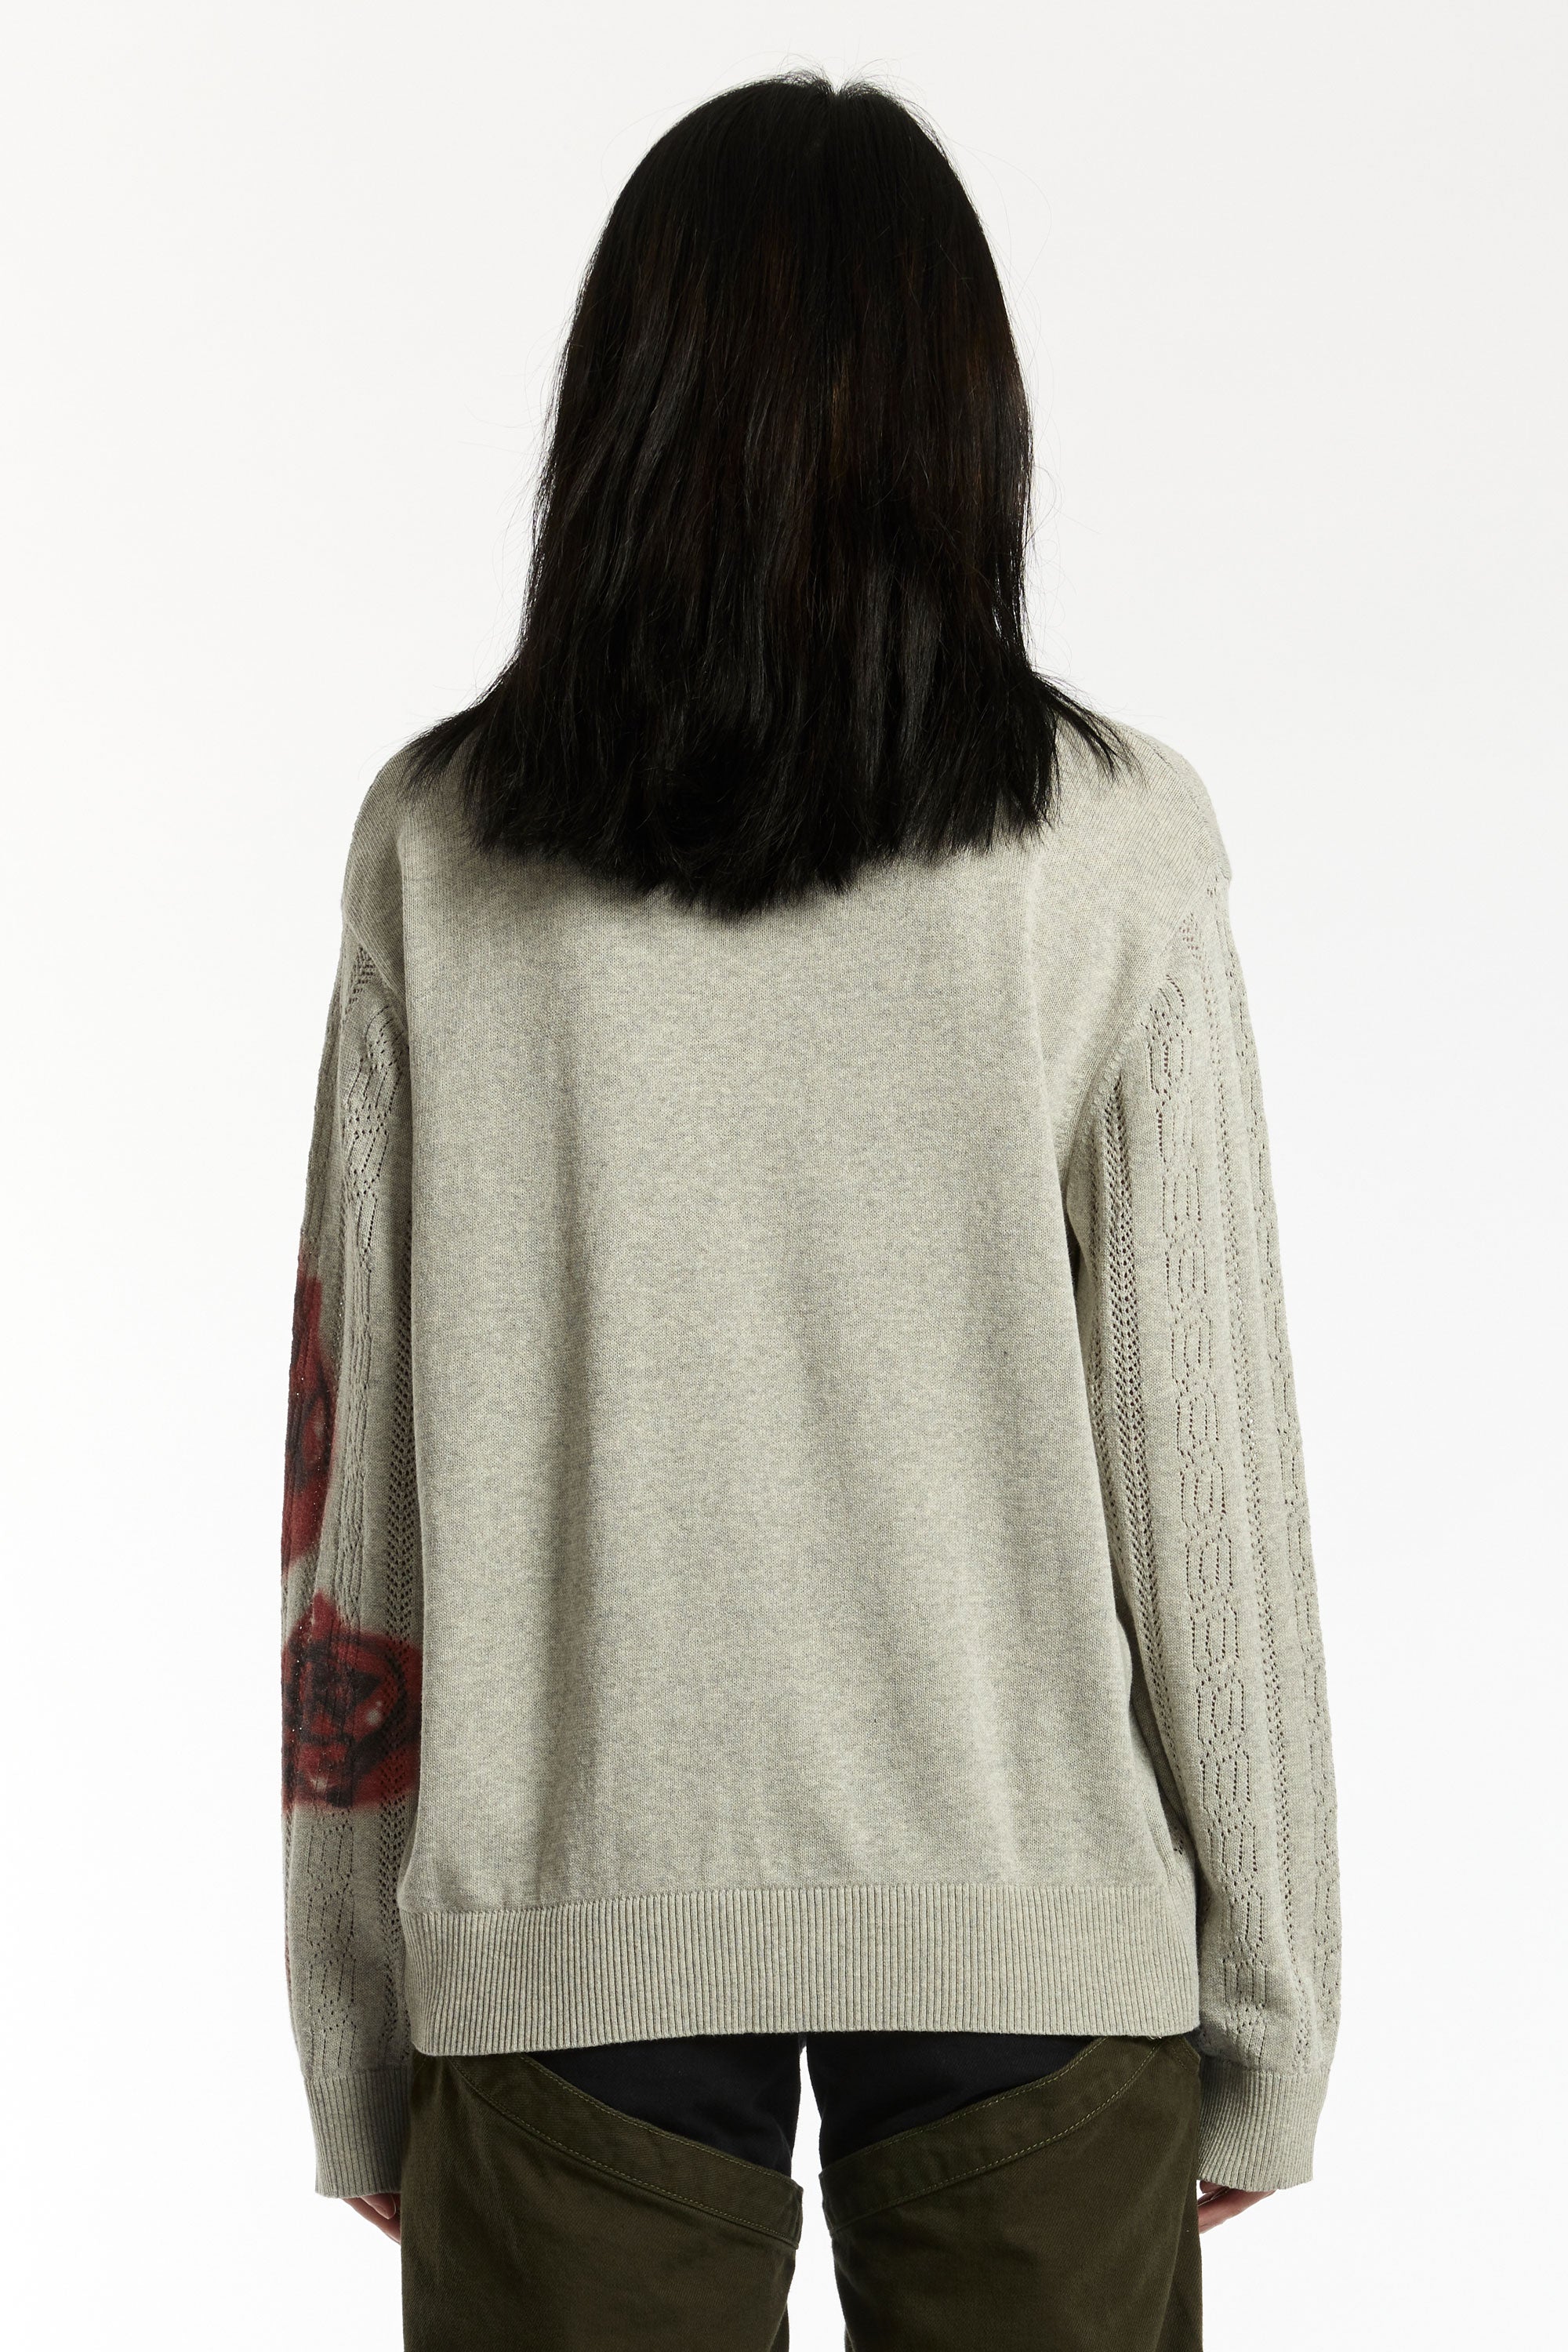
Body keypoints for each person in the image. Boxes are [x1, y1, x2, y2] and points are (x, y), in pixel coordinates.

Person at [280, 71, 1340, 2351]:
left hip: (564, 1950)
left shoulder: (442, 847)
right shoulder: (1110, 847)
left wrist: (355, 2017)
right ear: (972, 433)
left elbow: (356, 1501)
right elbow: (1211, 1485)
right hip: (1030, 1938)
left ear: (619, 422)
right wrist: (1275, 2002)